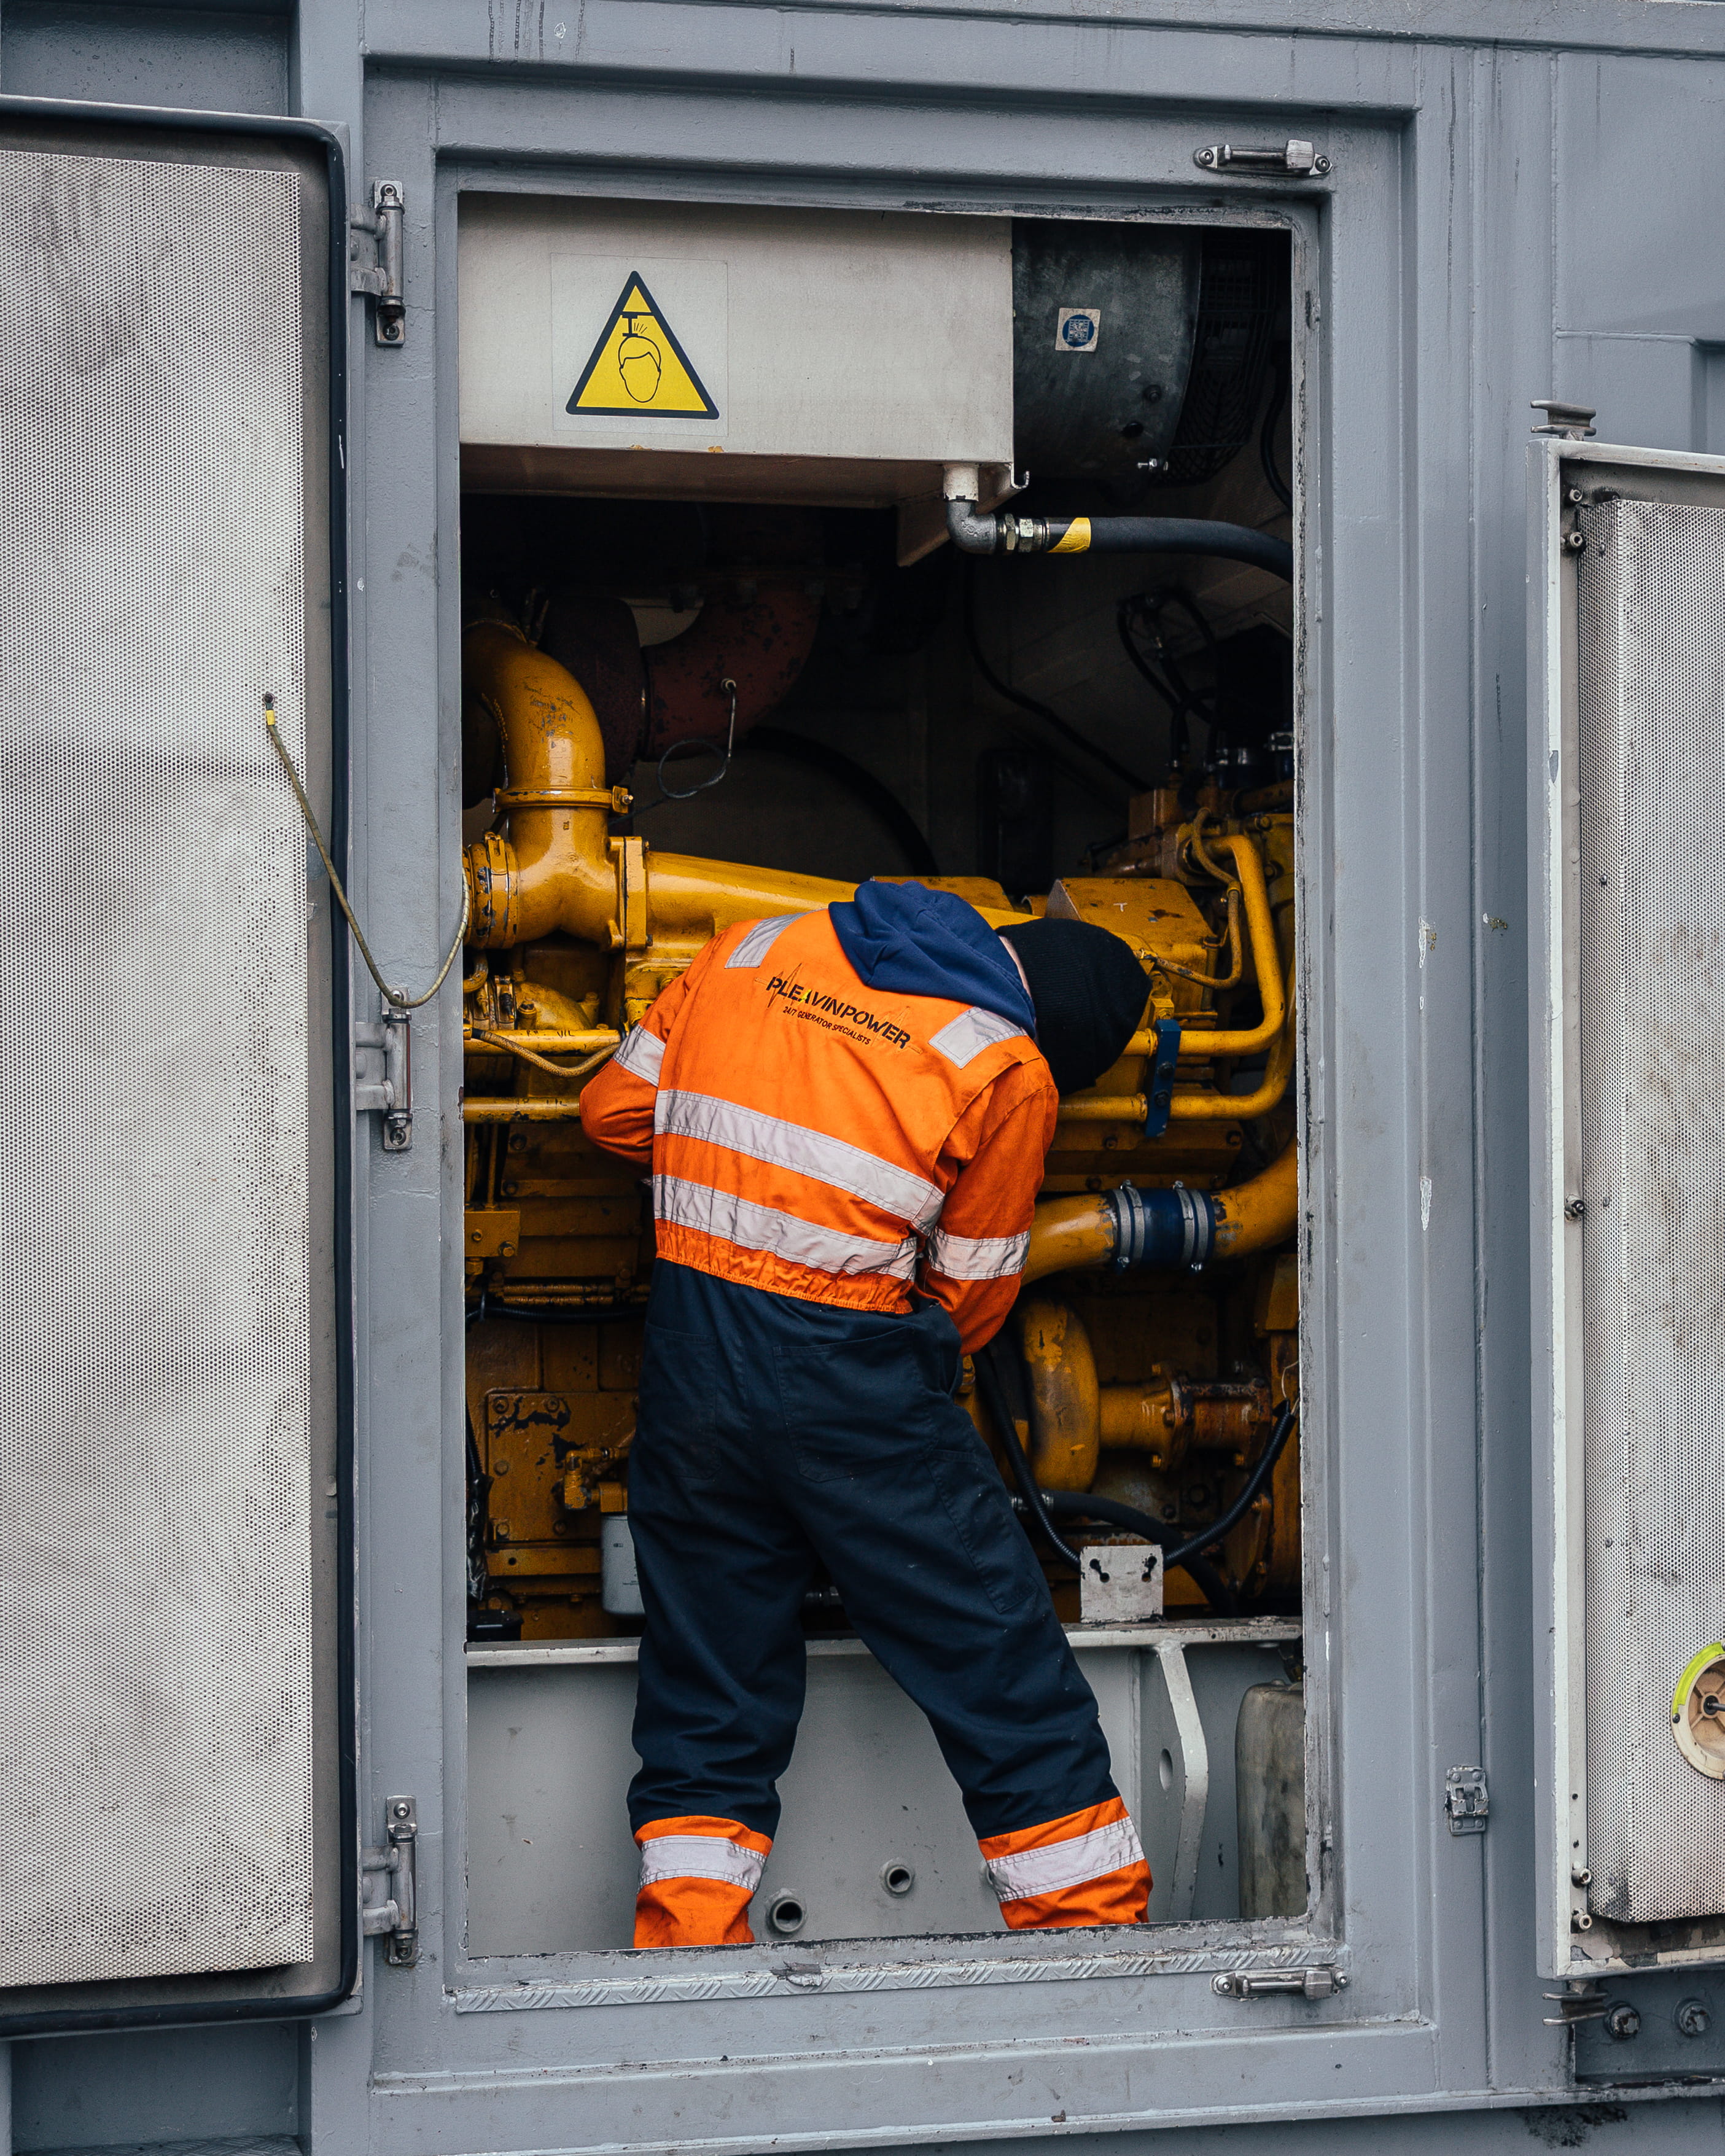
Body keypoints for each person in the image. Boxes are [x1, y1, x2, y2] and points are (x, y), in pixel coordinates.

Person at [580, 878, 1153, 1949]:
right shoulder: (1004, 1064)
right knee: (999, 1664)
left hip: (691, 1364)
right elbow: (970, 1303)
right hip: (851, 1389)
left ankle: (684, 1956)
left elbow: (611, 1115)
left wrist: (740, 1193)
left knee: (708, 1684)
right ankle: (1090, 1941)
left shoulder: (754, 945)